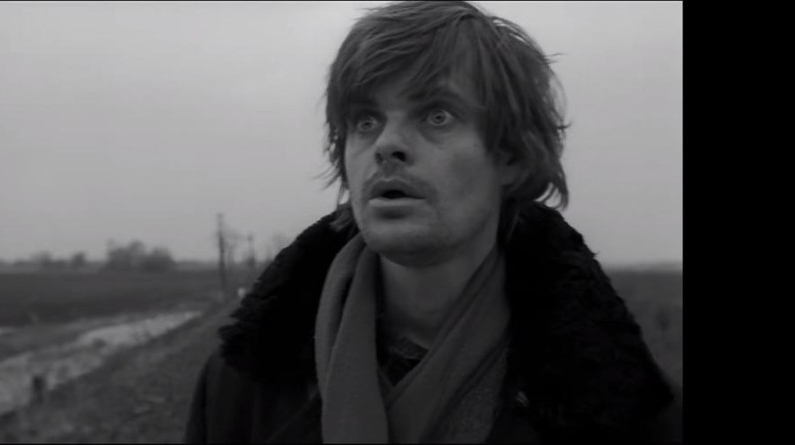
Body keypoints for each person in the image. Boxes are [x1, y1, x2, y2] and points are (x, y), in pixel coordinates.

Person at [185, 1, 681, 443]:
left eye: (436, 115)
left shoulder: (627, 414)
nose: (386, 144)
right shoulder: (241, 387)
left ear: (510, 155)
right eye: (365, 120)